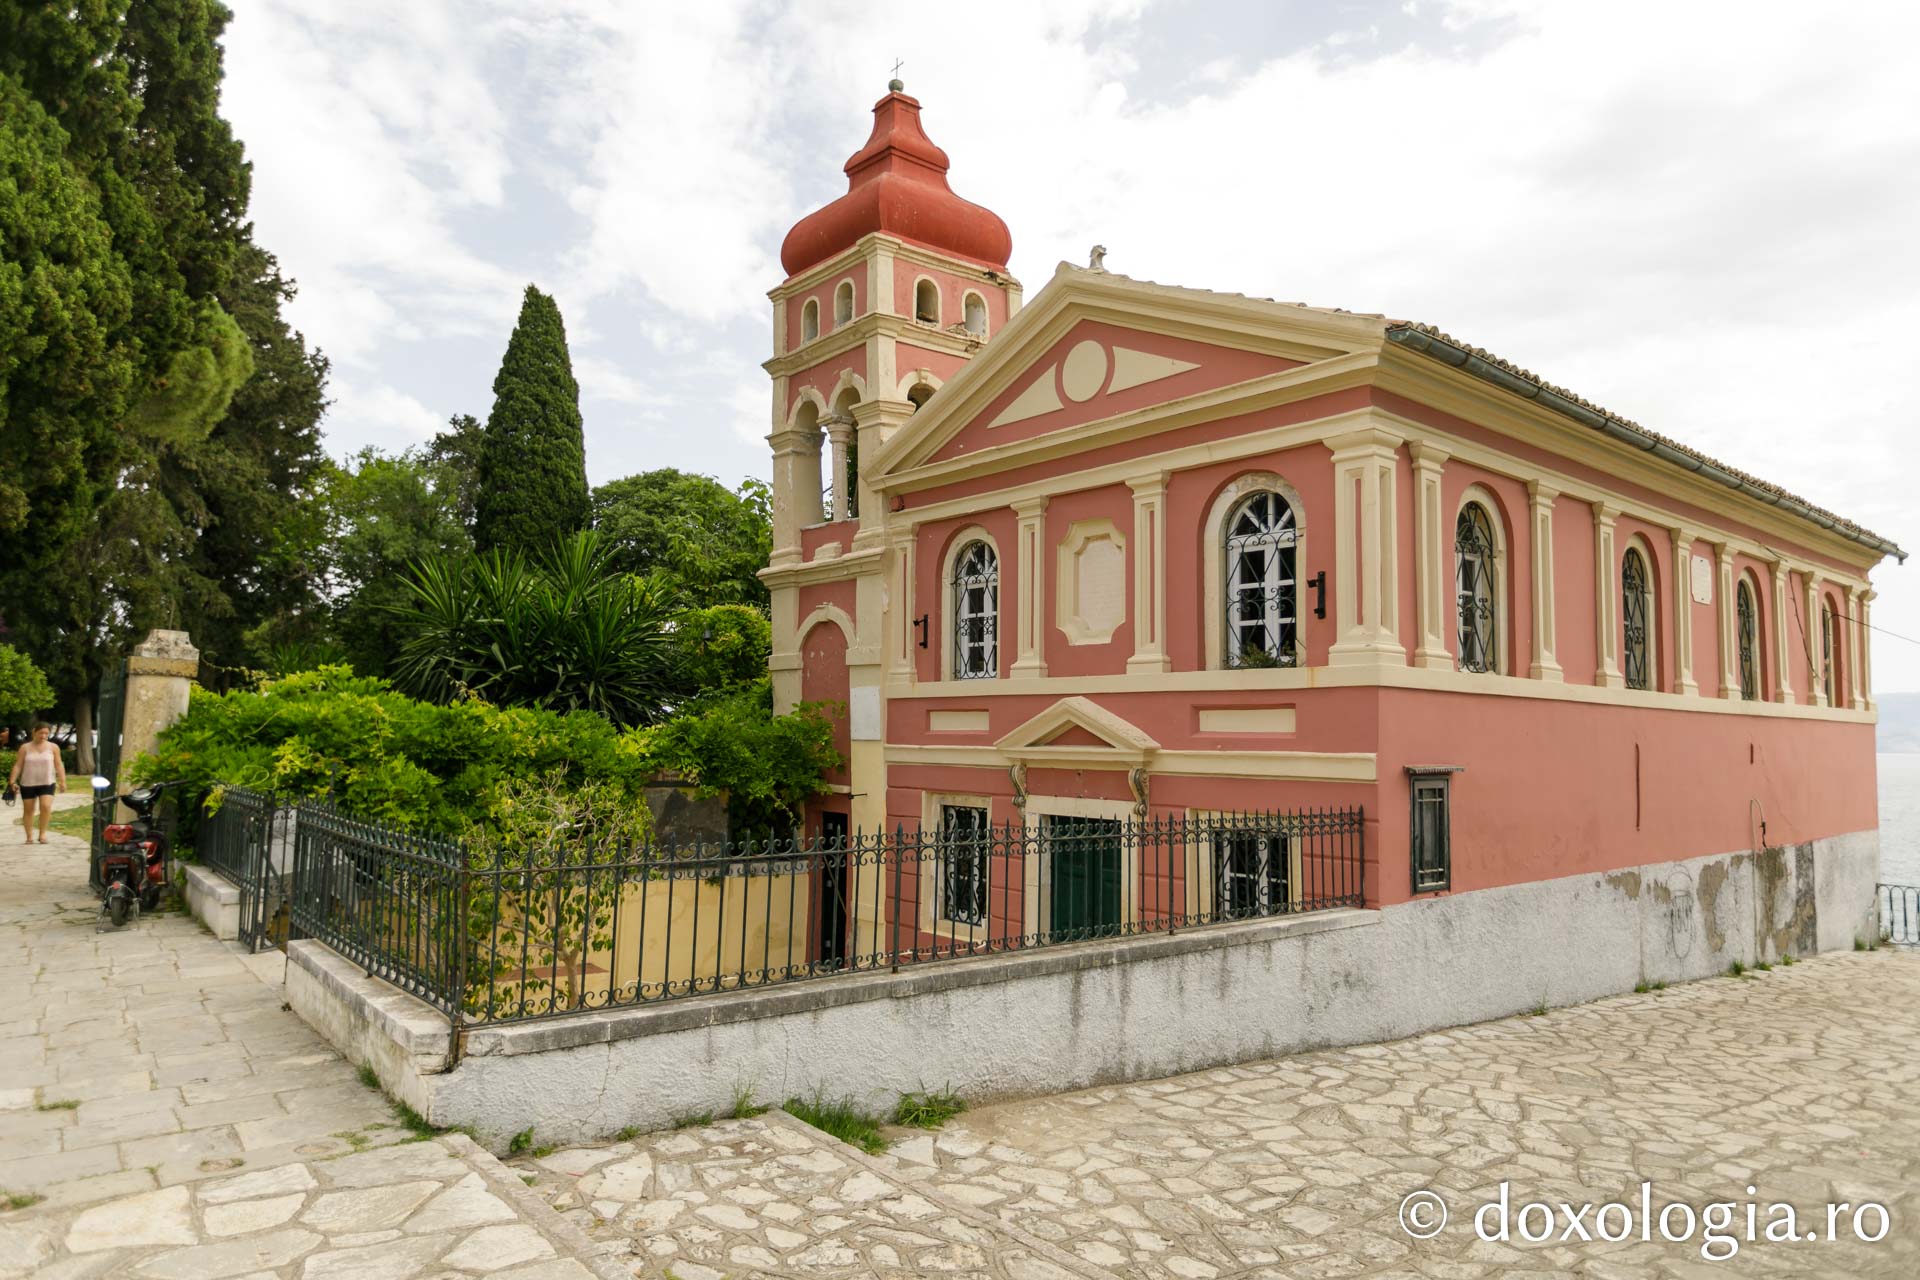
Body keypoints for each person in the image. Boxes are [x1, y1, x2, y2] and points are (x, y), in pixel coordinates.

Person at [7, 723, 66, 845]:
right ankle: (29, 836)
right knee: (29, 810)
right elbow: (18, 765)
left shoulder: (53, 747)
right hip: (28, 783)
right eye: (41, 733)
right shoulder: (25, 748)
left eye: (46, 733)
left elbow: (59, 764)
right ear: (34, 732)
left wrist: (62, 781)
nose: (43, 736)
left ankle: (42, 834)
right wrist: (12, 781)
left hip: (47, 782)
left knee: (45, 806)